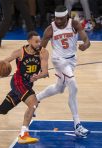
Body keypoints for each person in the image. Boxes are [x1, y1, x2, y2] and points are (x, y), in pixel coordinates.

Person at [0, 31, 49, 144]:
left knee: (3, 109)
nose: (39, 43)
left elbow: (45, 72)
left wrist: (38, 76)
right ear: (29, 41)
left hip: (27, 84)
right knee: (33, 103)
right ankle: (23, 135)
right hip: (18, 82)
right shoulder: (20, 52)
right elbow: (6, 60)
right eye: (36, 41)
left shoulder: (43, 52)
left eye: (39, 41)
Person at [36, 5, 90, 137]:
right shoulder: (50, 29)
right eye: (56, 18)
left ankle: (36, 99)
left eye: (61, 19)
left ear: (67, 17)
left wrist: (85, 45)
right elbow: (41, 49)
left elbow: (86, 40)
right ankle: (77, 124)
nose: (58, 21)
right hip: (59, 60)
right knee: (73, 85)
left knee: (59, 88)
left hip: (71, 61)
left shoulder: (75, 24)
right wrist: (40, 66)